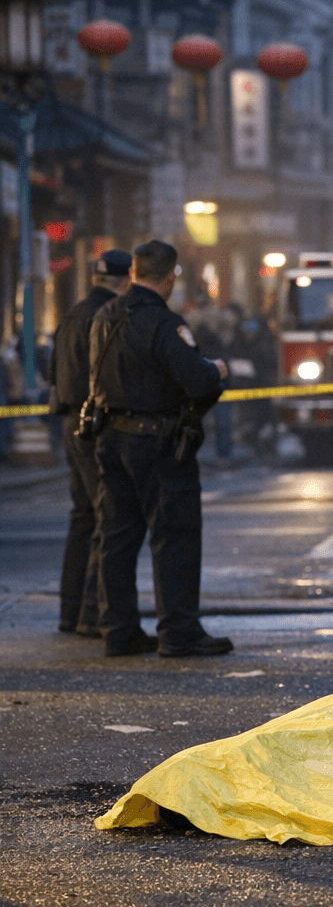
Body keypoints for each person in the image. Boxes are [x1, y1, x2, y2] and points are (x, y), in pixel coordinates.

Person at [91, 240, 229, 658]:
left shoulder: (104, 316)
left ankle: (118, 630)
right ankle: (179, 631)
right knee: (175, 536)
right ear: (170, 279)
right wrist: (216, 370)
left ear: (132, 273)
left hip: (109, 438)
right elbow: (199, 382)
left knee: (115, 537)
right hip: (158, 443)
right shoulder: (163, 324)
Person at [48, 249, 132, 636]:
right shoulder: (105, 316)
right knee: (108, 517)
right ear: (125, 280)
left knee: (83, 518)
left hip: (69, 422)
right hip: (93, 426)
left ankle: (71, 610)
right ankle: (93, 612)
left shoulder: (72, 314)